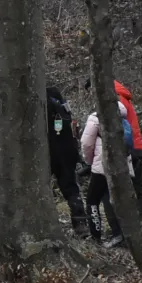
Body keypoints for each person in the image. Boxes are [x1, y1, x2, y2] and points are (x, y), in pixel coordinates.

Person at [114, 80, 142, 233]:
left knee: (134, 192)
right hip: (137, 148)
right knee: (136, 191)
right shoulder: (123, 98)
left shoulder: (117, 101)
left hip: (131, 150)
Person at [46, 86, 89, 237]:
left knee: (43, 188)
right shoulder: (63, 107)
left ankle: (46, 223)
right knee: (71, 188)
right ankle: (81, 224)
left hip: (48, 152)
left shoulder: (41, 103)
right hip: (68, 152)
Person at [80, 109, 125, 245]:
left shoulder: (96, 117)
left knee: (92, 201)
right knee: (112, 199)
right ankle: (120, 234)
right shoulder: (122, 115)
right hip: (122, 166)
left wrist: (89, 162)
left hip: (102, 166)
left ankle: (96, 236)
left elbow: (86, 143)